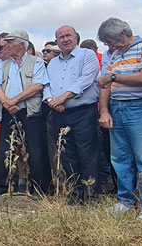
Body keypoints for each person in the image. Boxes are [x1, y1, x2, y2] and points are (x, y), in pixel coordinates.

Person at [96, 17, 142, 219]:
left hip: (140, 108)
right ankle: (125, 200)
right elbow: (105, 85)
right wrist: (104, 111)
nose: (109, 46)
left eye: (110, 41)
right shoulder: (115, 55)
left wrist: (114, 77)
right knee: (120, 157)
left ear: (122, 35)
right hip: (117, 108)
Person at [45, 25, 101, 203]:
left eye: (68, 35)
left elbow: (85, 80)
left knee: (87, 153)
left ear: (76, 37)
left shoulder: (87, 55)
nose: (65, 39)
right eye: (60, 37)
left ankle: (91, 193)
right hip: (60, 113)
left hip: (83, 112)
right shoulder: (53, 63)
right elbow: (46, 86)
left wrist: (62, 98)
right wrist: (52, 102)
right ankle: (74, 194)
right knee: (66, 154)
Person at [0, 30, 50, 196]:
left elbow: (38, 86)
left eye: (10, 43)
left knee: (35, 150)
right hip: (9, 112)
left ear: (22, 44)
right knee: (4, 149)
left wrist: (13, 101)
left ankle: (39, 187)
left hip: (29, 112)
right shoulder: (4, 65)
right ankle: (2, 184)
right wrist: (6, 103)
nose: (6, 46)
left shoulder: (36, 62)